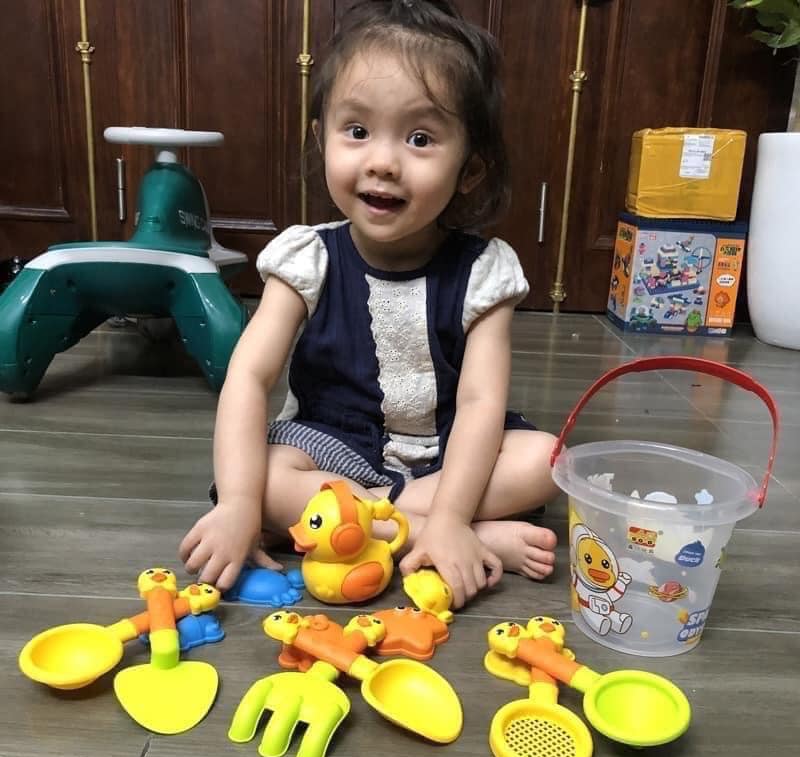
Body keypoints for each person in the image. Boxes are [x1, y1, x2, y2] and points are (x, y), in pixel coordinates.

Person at [179, 0, 560, 608]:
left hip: (445, 455)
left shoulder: (483, 272)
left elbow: (480, 403)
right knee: (260, 477)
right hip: (328, 447)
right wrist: (239, 506)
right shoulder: (307, 258)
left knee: (546, 460)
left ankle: (377, 528)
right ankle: (440, 534)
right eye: (356, 131)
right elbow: (248, 378)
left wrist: (451, 511)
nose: (382, 162)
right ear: (321, 137)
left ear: (469, 169)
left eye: (420, 139)